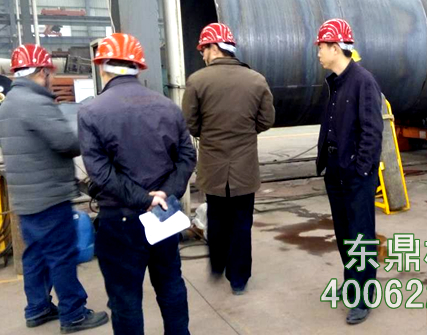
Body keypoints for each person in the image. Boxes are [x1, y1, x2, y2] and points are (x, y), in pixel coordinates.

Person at [78, 33, 196, 334]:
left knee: (125, 299)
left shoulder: (91, 112)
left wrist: (144, 198)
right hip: (163, 215)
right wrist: (164, 195)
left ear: (103, 66)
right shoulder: (168, 106)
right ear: (139, 68)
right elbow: (187, 157)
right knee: (170, 285)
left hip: (120, 219)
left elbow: (100, 172)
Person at [0, 44, 109, 333]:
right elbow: (67, 143)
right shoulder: (37, 103)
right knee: (62, 255)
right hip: (49, 197)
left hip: (25, 198)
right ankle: (73, 314)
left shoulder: (8, 103)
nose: (52, 77)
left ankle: (37, 308)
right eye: (50, 72)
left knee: (35, 254)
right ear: (42, 71)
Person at [182, 23, 275, 295]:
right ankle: (239, 279)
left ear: (214, 47)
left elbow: (189, 123)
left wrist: (209, 132)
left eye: (203, 49)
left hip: (212, 166)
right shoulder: (256, 80)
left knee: (218, 218)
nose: (202, 55)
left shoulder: (197, 81)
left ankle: (217, 265)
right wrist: (246, 130)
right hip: (244, 167)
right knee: (242, 222)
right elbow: (267, 120)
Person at [315, 19, 383, 325]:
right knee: (344, 235)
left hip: (355, 175)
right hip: (335, 171)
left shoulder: (363, 81)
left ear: (335, 47)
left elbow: (372, 131)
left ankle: (363, 297)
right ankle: (353, 283)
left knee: (360, 235)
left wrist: (361, 169)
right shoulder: (335, 82)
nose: (318, 52)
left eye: (321, 46)